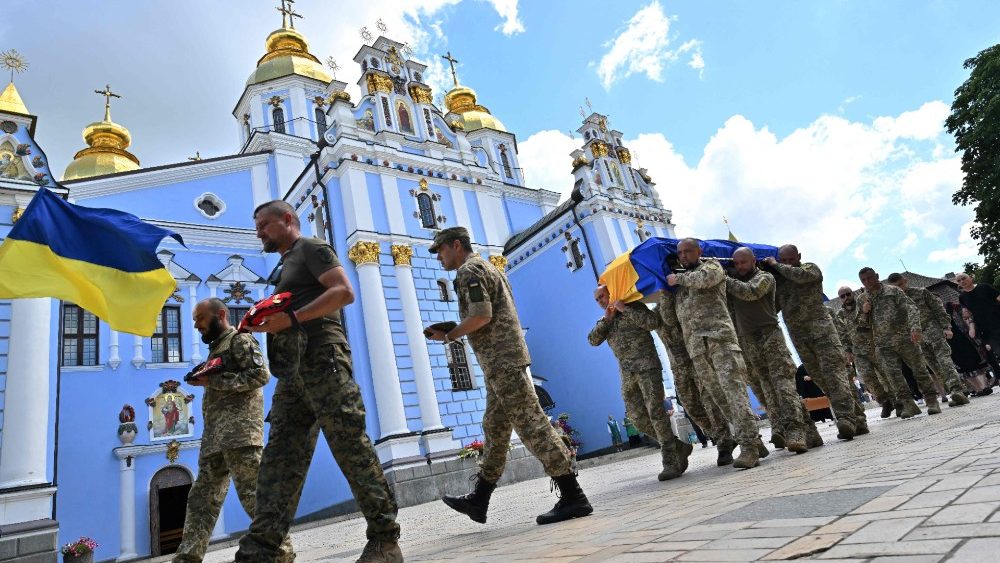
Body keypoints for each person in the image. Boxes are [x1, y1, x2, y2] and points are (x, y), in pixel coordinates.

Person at [238, 200, 401, 563]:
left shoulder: (312, 248)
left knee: (350, 447)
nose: (259, 233)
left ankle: (385, 540)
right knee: (280, 458)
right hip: (293, 372)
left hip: (323, 360)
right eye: (257, 227)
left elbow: (344, 292)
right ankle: (261, 550)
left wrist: (291, 318)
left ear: (287, 219)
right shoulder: (283, 265)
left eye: (264, 225)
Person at [426, 227, 592, 526]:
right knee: (495, 427)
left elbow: (481, 316)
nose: (438, 256)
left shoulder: (469, 271)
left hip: (502, 360)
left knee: (531, 424)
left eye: (440, 250)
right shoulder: (487, 266)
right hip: (500, 361)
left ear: (456, 245)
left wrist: (450, 334)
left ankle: (573, 495)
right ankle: (480, 498)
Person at [174, 298, 294, 563]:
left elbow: (260, 376)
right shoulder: (216, 348)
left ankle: (282, 553)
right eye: (194, 320)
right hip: (215, 437)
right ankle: (187, 558)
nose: (196, 325)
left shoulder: (240, 340)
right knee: (201, 501)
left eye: (200, 319)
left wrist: (215, 380)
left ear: (221, 314)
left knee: (254, 498)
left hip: (240, 435)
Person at [667, 238, 766, 469]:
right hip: (697, 350)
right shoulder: (679, 290)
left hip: (720, 342)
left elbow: (706, 279)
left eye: (688, 251)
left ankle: (750, 448)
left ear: (698, 251)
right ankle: (752, 440)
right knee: (720, 400)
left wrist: (678, 277)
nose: (683, 256)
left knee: (734, 394)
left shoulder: (711, 267)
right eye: (679, 253)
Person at [763, 245, 867, 440]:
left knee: (834, 375)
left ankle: (845, 419)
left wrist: (775, 265)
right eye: (782, 260)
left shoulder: (810, 269)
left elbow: (800, 276)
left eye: (790, 259)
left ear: (799, 257)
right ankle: (858, 418)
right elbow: (772, 306)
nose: (786, 263)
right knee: (821, 378)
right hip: (800, 337)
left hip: (822, 332)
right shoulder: (780, 282)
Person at [588, 285, 692, 481]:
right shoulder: (606, 320)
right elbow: (593, 340)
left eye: (602, 296)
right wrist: (607, 319)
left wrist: (625, 309)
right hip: (627, 374)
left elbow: (653, 322)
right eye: (597, 299)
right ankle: (678, 446)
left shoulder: (633, 306)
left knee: (656, 412)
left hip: (647, 367)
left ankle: (670, 462)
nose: (601, 301)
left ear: (612, 293)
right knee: (636, 417)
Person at [726, 247, 820, 454]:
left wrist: (723, 279)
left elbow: (751, 293)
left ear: (753, 261)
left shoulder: (765, 277)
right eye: (736, 263)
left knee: (783, 386)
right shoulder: (732, 284)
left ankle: (795, 431)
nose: (740, 266)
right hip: (748, 340)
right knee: (769, 389)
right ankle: (810, 432)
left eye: (743, 262)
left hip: (770, 336)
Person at [654, 291, 730, 461]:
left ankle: (725, 442)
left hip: (695, 359)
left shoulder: (680, 301)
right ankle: (719, 435)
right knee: (690, 407)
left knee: (710, 402)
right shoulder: (654, 312)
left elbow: (671, 319)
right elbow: (649, 322)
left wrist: (667, 293)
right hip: (677, 367)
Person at [857, 267, 940, 418]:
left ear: (877, 276)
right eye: (864, 280)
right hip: (883, 344)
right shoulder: (862, 300)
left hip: (905, 339)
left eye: (870, 278)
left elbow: (911, 308)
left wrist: (915, 328)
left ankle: (932, 400)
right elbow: (861, 327)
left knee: (919, 370)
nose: (867, 282)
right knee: (894, 377)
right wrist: (864, 312)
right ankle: (909, 405)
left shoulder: (893, 291)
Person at [887, 273, 970, 407]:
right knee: (935, 367)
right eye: (895, 287)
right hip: (917, 339)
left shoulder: (921, 292)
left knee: (944, 360)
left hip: (933, 330)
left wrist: (947, 327)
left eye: (901, 284)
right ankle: (956, 391)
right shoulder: (894, 303)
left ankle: (957, 390)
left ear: (905, 281)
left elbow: (938, 310)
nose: (899, 288)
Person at [835, 286, 900, 418]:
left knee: (887, 375)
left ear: (852, 294)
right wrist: (847, 351)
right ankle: (885, 401)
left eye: (848, 294)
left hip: (875, 346)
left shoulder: (863, 305)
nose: (846, 298)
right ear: (840, 299)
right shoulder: (840, 315)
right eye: (843, 296)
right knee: (867, 378)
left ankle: (898, 402)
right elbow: (843, 334)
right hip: (858, 352)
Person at [956, 273, 1000, 373]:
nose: (962, 281)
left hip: (997, 320)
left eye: (964, 278)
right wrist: (972, 328)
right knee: (993, 353)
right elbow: (969, 315)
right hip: (984, 328)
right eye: (959, 281)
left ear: (971, 278)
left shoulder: (984, 287)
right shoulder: (962, 297)